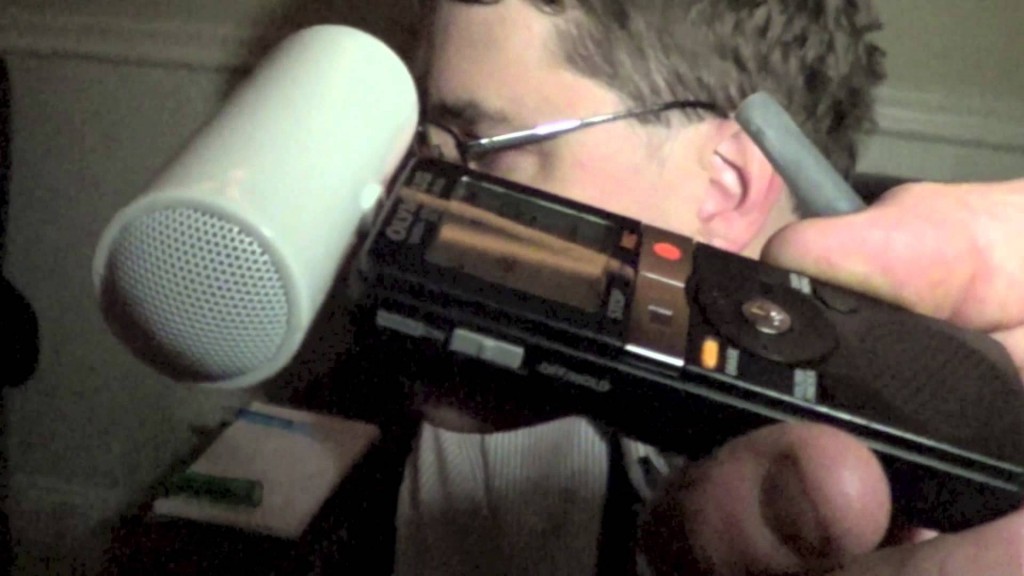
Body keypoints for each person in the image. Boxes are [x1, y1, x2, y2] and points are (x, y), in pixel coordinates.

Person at [392, 0, 1024, 574]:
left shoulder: (952, 446)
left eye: (478, 147)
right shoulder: (486, 397)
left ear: (726, 185)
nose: (421, 189)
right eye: (429, 145)